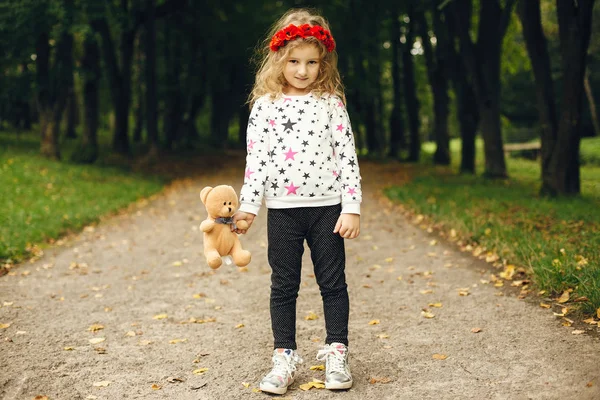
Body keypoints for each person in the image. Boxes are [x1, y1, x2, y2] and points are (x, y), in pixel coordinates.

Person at [233, 8, 362, 395]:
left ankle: (337, 352)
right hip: (283, 212)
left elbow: (348, 156)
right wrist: (248, 207)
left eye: (311, 62)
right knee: (283, 285)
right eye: (294, 61)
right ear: (278, 59)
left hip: (328, 210)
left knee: (332, 283)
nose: (302, 70)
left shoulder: (331, 104)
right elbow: (256, 160)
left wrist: (351, 206)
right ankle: (284, 357)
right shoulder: (265, 107)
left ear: (322, 63)